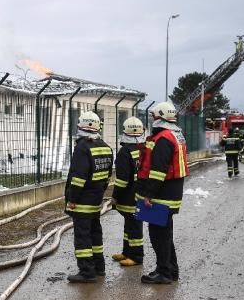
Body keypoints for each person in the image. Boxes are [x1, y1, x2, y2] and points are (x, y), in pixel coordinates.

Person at [135, 101, 187, 285]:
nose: (151, 119)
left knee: (159, 235)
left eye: (153, 116)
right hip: (170, 192)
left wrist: (148, 194)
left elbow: (158, 171)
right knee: (165, 234)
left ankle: (164, 272)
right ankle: (171, 270)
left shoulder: (163, 138)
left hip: (161, 195)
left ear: (159, 117)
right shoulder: (176, 134)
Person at [65, 110, 113, 283]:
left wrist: (72, 199)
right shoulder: (106, 147)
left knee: (83, 236)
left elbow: (78, 178)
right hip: (96, 199)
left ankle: (86, 271)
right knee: (95, 232)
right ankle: (99, 267)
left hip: (82, 201)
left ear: (81, 126)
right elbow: (108, 176)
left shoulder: (82, 147)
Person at [110, 117, 145, 267]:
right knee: (130, 225)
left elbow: (122, 180)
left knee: (134, 226)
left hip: (130, 197)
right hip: (141, 193)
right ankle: (127, 252)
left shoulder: (125, 152)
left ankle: (136, 257)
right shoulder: (144, 148)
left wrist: (115, 196)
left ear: (124, 131)